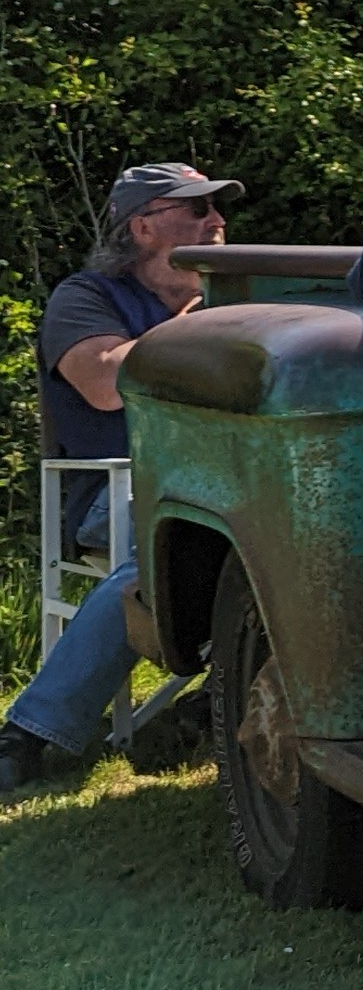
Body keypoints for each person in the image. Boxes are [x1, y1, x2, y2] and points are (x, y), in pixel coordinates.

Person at [0, 163, 240, 792]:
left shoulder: (230, 300)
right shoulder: (85, 298)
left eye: (217, 209)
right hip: (115, 487)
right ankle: (30, 731)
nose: (216, 222)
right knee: (155, 558)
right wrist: (199, 325)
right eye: (196, 210)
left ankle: (219, 698)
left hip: (225, 488)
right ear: (142, 226)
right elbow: (106, 383)